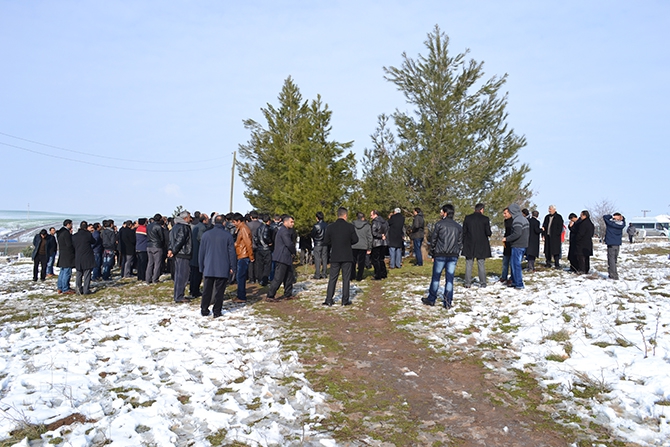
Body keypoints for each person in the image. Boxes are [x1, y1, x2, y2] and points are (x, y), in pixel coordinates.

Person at [422, 204, 462, 309]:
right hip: (453, 255)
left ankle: (431, 299)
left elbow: (434, 240)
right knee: (450, 279)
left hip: (440, 254)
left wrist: (432, 253)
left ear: (445, 212)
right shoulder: (458, 226)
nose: (440, 213)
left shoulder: (439, 225)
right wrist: (457, 253)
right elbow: (460, 242)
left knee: (436, 278)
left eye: (441, 211)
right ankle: (447, 302)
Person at [198, 214, 237, 318]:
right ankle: (217, 311)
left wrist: (201, 266)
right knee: (219, 291)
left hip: (209, 266)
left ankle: (204, 309)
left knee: (207, 290)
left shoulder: (206, 235)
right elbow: (231, 253)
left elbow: (201, 252)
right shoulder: (227, 235)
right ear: (224, 223)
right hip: (223, 267)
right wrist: (233, 267)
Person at [323, 207, 359, 306]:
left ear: (337, 215)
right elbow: (356, 240)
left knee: (332, 278)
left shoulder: (330, 227)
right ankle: (345, 300)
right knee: (346, 278)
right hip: (347, 255)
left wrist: (334, 243)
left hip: (335, 255)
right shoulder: (350, 227)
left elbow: (326, 241)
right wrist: (348, 242)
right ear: (345, 215)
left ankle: (329, 299)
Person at [266, 215, 297, 302]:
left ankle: (288, 294)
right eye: (291, 222)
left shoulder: (285, 231)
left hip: (286, 257)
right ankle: (270, 295)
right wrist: (294, 251)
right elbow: (289, 244)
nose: (293, 224)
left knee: (289, 276)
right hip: (282, 257)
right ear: (285, 222)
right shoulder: (284, 231)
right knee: (278, 277)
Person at [461, 203, 492, 288]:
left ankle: (467, 283)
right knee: (481, 264)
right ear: (482, 209)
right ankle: (483, 283)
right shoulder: (485, 219)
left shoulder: (468, 218)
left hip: (469, 244)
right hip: (481, 244)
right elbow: (488, 233)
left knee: (469, 264)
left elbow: (464, 232)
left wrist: (463, 243)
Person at [168, 210, 193, 303]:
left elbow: (171, 240)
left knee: (178, 275)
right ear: (185, 218)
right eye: (189, 217)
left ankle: (177, 294)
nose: (190, 219)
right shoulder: (184, 227)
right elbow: (180, 240)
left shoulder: (175, 226)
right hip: (183, 253)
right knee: (183, 275)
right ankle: (179, 295)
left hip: (177, 253)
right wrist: (173, 250)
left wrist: (170, 250)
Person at [503, 204, 529, 290]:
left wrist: (507, 239)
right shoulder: (523, 219)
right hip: (522, 245)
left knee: (516, 265)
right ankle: (514, 281)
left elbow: (517, 233)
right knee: (514, 264)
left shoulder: (517, 220)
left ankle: (519, 284)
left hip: (517, 245)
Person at [232, 213, 254, 303]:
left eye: (234, 222)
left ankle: (241, 296)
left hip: (243, 255)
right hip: (241, 254)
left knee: (240, 276)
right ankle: (240, 295)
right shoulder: (240, 228)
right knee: (240, 276)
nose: (233, 224)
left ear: (238, 221)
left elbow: (248, 243)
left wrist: (251, 256)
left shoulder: (244, 229)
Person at [72, 221, 96, 295]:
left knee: (79, 273)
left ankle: (78, 289)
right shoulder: (88, 235)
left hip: (78, 256)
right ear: (86, 227)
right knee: (87, 273)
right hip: (87, 256)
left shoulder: (74, 236)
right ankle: (86, 290)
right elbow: (93, 241)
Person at [189, 214, 207, 298]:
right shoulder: (202, 228)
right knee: (197, 273)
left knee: (193, 273)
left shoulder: (195, 227)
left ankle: (192, 289)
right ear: (204, 220)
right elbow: (202, 240)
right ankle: (195, 291)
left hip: (194, 252)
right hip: (198, 253)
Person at [603, 213, 625, 280]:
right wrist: (621, 218)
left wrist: (612, 216)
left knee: (611, 260)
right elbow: (623, 221)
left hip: (611, 243)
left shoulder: (611, 224)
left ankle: (613, 275)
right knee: (614, 260)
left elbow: (605, 217)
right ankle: (614, 273)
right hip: (617, 243)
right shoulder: (621, 224)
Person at [351, 212, 372, 281]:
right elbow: (369, 237)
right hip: (363, 245)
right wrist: (369, 247)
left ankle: (352, 275)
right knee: (361, 262)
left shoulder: (352, 225)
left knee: (353, 261)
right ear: (363, 217)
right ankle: (359, 276)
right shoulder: (367, 226)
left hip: (353, 245)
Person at [56, 219, 75, 294]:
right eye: (71, 224)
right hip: (68, 254)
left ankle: (60, 287)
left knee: (62, 271)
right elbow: (69, 244)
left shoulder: (60, 232)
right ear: (68, 224)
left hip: (62, 253)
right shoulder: (66, 233)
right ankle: (65, 288)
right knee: (67, 272)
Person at [146, 213, 166, 284]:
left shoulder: (148, 226)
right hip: (157, 246)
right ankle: (155, 279)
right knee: (157, 263)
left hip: (149, 245)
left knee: (150, 263)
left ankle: (148, 279)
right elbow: (161, 237)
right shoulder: (158, 227)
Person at [254, 214, 273, 286]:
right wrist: (270, 242)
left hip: (259, 248)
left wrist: (258, 243)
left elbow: (255, 238)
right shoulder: (267, 228)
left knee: (260, 264)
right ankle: (264, 280)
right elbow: (265, 237)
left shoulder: (259, 228)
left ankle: (259, 279)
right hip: (266, 248)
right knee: (268, 265)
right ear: (268, 221)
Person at [370, 210, 388, 280]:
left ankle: (378, 275)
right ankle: (384, 273)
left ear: (375, 215)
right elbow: (387, 231)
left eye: (371, 215)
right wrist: (384, 236)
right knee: (381, 259)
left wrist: (380, 236)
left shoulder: (375, 222)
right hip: (384, 242)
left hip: (377, 242)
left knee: (375, 260)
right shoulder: (385, 222)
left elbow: (373, 233)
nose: (371, 217)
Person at [575, 210, 595, 274]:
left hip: (582, 243)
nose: (580, 217)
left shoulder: (583, 224)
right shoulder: (591, 223)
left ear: (585, 215)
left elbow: (580, 233)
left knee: (581, 257)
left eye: (581, 215)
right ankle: (586, 269)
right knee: (586, 257)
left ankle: (582, 270)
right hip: (588, 242)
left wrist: (576, 239)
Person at [311, 211, 328, 279]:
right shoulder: (327, 225)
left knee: (317, 258)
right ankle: (324, 273)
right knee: (324, 258)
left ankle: (317, 274)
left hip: (317, 243)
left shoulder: (316, 226)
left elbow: (312, 234)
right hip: (325, 243)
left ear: (317, 218)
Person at [499, 208, 513, 285]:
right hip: (506, 243)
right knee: (505, 261)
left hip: (512, 242)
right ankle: (504, 276)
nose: (504, 215)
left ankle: (511, 277)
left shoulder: (514, 221)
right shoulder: (506, 221)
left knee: (512, 262)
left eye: (505, 213)